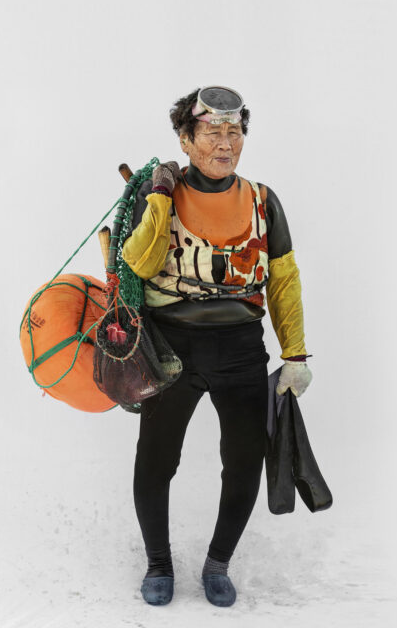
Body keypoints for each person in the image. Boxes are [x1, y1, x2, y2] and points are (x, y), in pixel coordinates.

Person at [121, 86, 312, 607]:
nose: (226, 143)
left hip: (241, 347)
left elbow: (283, 279)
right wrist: (159, 199)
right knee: (156, 459)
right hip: (170, 346)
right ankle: (158, 562)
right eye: (212, 133)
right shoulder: (158, 194)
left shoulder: (263, 200)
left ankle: (218, 563)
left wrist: (294, 353)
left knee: (246, 459)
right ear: (185, 140)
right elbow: (139, 263)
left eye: (235, 131)